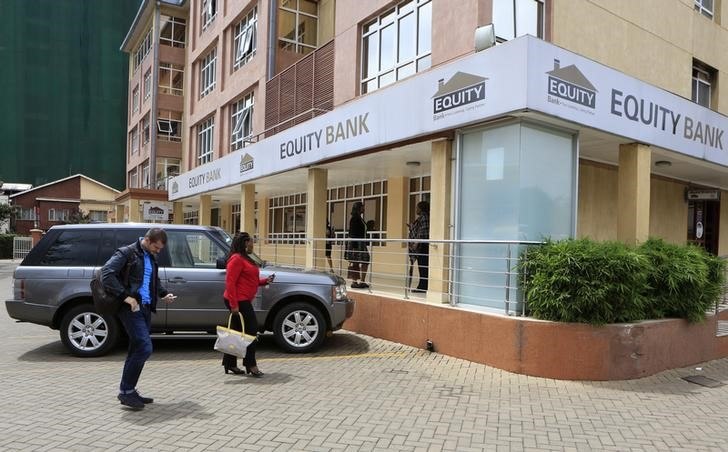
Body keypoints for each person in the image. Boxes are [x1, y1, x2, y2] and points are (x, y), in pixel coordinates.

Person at [102, 227, 176, 410]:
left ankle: (129, 390)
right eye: (157, 247)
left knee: (136, 348)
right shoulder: (127, 253)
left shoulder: (150, 256)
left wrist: (163, 294)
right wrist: (125, 297)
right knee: (144, 347)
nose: (158, 251)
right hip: (131, 308)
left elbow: (152, 279)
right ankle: (125, 392)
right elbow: (106, 274)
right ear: (148, 240)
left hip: (145, 307)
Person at [222, 232, 274, 377]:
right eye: (251, 242)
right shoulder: (236, 259)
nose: (253, 244)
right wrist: (234, 305)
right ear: (245, 243)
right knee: (251, 331)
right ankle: (250, 364)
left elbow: (249, 279)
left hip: (242, 299)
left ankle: (230, 364)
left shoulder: (245, 258)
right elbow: (230, 283)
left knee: (237, 332)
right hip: (238, 300)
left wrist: (264, 281)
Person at [408, 201, 430, 293]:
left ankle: (423, 287)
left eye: (417, 208)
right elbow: (418, 229)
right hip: (421, 244)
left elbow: (423, 231)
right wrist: (412, 227)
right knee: (422, 266)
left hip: (423, 245)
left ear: (421, 209)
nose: (416, 209)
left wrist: (416, 243)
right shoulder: (422, 217)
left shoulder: (424, 217)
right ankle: (422, 286)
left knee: (423, 266)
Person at [346, 201, 369, 289]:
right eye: (362, 207)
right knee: (356, 262)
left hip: (361, 243)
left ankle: (362, 281)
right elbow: (353, 233)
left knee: (365, 260)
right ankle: (354, 282)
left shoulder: (359, 218)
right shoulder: (354, 218)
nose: (364, 208)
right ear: (358, 208)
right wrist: (354, 247)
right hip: (356, 244)